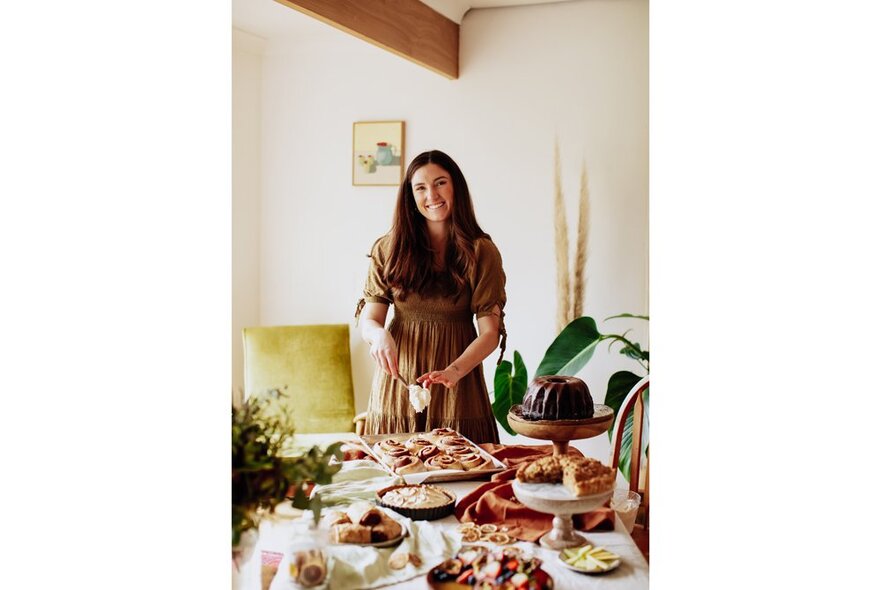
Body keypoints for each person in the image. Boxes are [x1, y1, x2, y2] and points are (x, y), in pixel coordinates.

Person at [355, 150, 506, 444]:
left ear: (456, 187)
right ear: (410, 197)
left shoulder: (481, 252)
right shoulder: (388, 249)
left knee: (466, 467)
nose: (431, 195)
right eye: (420, 187)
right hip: (397, 383)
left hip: (458, 384)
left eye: (440, 183)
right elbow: (371, 319)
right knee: (395, 473)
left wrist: (454, 371)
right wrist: (378, 336)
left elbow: (490, 333)